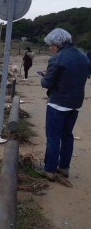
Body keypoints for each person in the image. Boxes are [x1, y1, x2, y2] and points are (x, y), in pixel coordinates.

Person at [39, 28, 91, 181]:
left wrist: (43, 77)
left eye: (51, 45)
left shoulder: (57, 58)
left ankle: (49, 169)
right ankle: (64, 168)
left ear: (57, 43)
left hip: (58, 103)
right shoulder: (82, 56)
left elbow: (47, 82)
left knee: (53, 137)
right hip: (75, 103)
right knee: (67, 136)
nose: (50, 48)